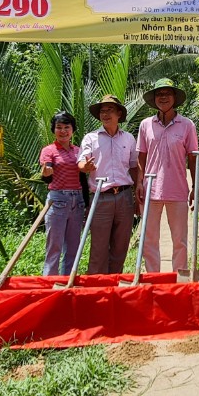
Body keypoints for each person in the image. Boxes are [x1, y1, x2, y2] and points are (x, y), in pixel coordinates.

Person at [135, 78, 198, 272]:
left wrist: (195, 187)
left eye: (167, 94)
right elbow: (141, 156)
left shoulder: (187, 125)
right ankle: (153, 277)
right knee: (149, 239)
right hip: (150, 189)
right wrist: (139, 183)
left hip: (177, 189)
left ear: (174, 98)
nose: (163, 97)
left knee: (180, 239)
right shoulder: (146, 125)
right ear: (154, 99)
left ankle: (179, 277)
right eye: (159, 94)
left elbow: (193, 158)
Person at [79, 94, 140, 274]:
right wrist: (86, 167)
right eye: (102, 111)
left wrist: (138, 193)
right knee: (98, 247)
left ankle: (114, 282)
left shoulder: (128, 138)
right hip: (101, 197)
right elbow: (81, 162)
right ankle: (96, 285)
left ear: (119, 114)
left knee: (121, 246)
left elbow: (134, 167)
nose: (105, 114)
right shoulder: (91, 138)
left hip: (124, 196)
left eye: (110, 110)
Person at [38, 111, 85, 276]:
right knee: (54, 246)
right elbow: (46, 173)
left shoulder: (79, 151)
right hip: (58, 200)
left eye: (67, 127)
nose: (63, 131)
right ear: (53, 130)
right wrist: (46, 171)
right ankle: (49, 281)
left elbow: (84, 177)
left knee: (73, 247)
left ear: (73, 130)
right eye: (59, 127)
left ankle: (67, 281)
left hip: (77, 201)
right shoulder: (49, 150)